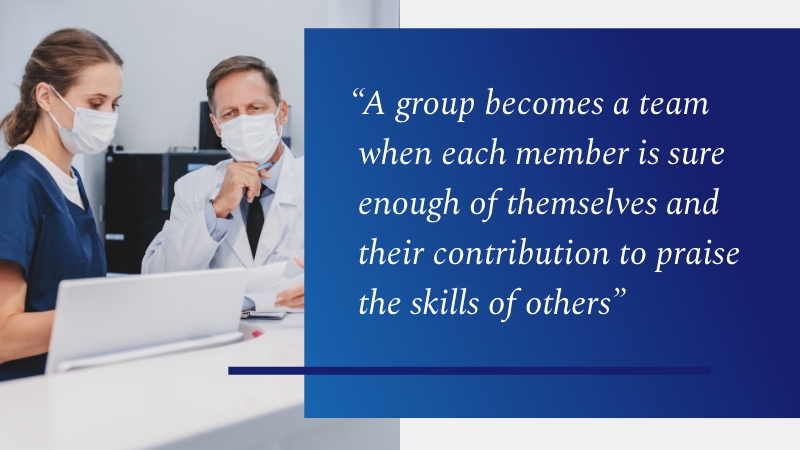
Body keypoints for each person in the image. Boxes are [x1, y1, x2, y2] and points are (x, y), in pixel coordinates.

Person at [0, 29, 123, 381]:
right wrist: (108, 316)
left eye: (114, 105)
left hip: (68, 385)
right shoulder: (16, 186)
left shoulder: (68, 180)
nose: (107, 116)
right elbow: (4, 336)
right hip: (23, 399)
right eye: (96, 103)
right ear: (46, 97)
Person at [142, 56, 304, 309]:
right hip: (222, 341)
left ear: (282, 112)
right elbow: (155, 279)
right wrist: (217, 209)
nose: (244, 121)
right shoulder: (193, 189)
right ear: (216, 126)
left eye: (255, 108)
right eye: (230, 113)